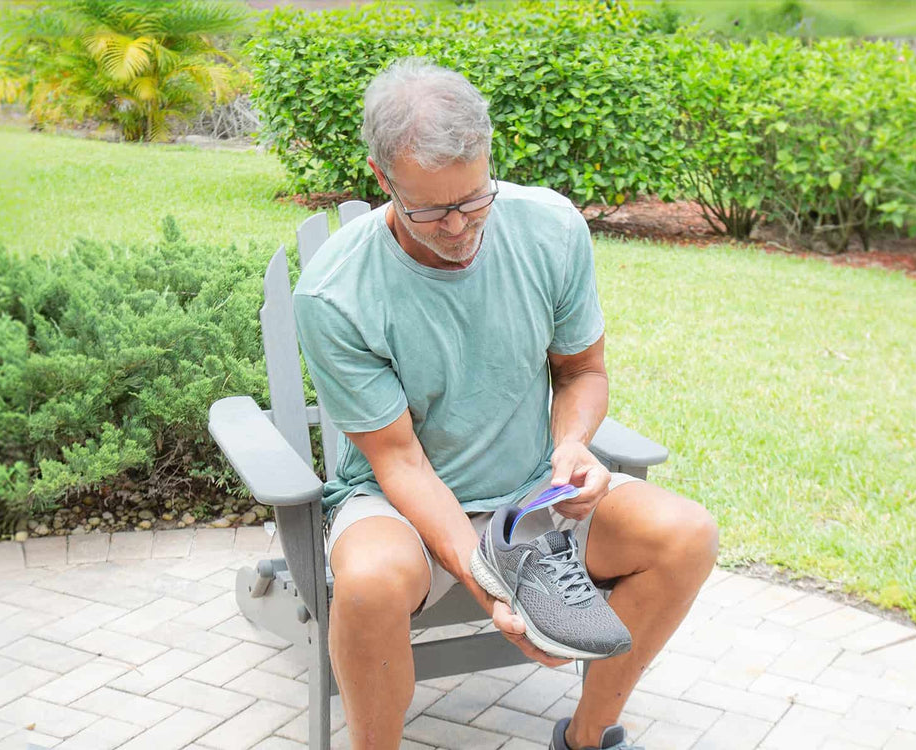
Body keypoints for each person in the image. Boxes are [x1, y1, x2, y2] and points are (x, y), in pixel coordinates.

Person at [292, 57, 720, 750]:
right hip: (397, 502)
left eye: (474, 198)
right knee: (368, 585)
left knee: (686, 534)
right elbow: (399, 463)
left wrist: (572, 446)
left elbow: (582, 371)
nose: (459, 227)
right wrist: (491, 581)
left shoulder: (550, 230)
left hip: (532, 495)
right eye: (431, 208)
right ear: (382, 178)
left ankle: (586, 737)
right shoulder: (336, 293)